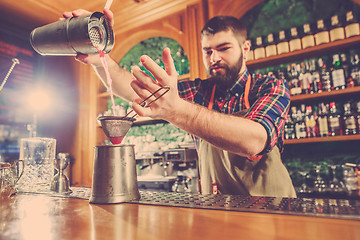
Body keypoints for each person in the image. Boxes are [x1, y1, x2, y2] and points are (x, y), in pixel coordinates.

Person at [63, 9, 296, 197]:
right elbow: (136, 89)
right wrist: (99, 58)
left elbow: (254, 141)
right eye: (208, 51)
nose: (214, 58)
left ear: (245, 49)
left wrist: (178, 111)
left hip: (273, 209)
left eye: (223, 48)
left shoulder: (270, 86)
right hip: (220, 209)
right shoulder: (200, 91)